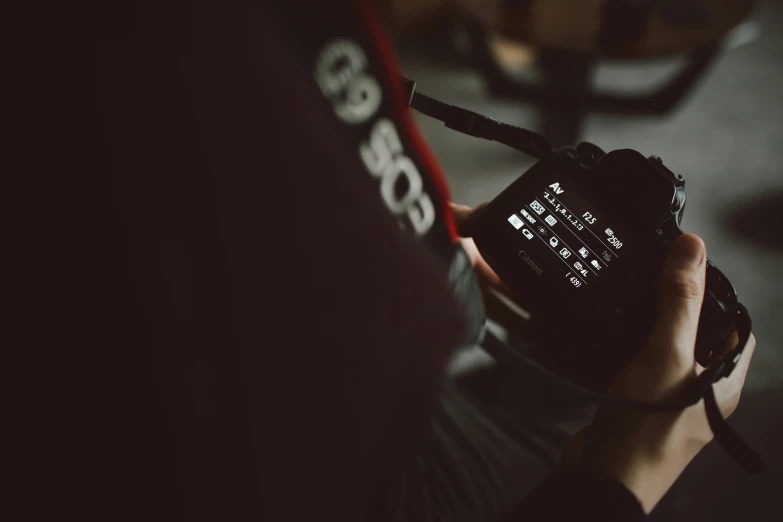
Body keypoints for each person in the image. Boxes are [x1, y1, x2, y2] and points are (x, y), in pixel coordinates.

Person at [96, 1, 756, 521]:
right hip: (386, 483)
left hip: (399, 394)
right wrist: (623, 482)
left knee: (577, 377)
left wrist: (408, 245)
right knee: (570, 423)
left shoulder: (259, 33)